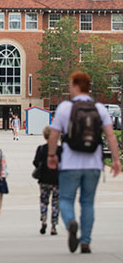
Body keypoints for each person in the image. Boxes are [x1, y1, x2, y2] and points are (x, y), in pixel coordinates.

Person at [48, 71, 121, 254]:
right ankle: (86, 242)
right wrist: (115, 159)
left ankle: (71, 222)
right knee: (88, 202)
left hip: (70, 164)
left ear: (75, 86)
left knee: (65, 199)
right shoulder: (100, 108)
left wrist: (51, 155)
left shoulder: (65, 108)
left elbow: (54, 134)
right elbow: (110, 135)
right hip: (94, 164)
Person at [33, 125, 62, 236]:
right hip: (57, 180)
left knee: (44, 201)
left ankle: (44, 220)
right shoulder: (60, 150)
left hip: (44, 179)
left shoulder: (41, 149)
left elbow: (35, 163)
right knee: (55, 203)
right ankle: (54, 226)